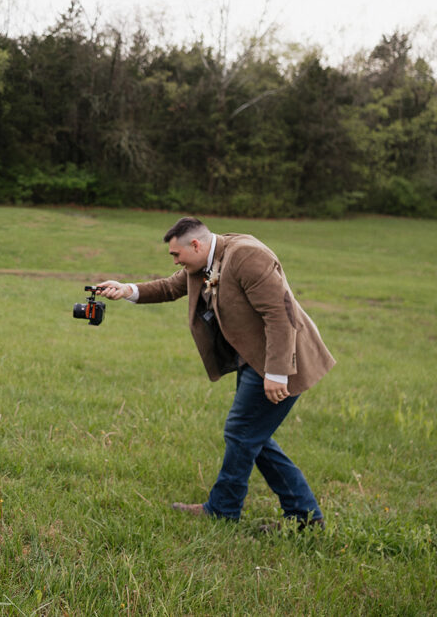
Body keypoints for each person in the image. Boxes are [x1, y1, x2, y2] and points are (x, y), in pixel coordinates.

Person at [96, 217, 334, 528]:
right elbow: (170, 287)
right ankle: (304, 515)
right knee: (251, 436)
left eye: (176, 255)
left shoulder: (247, 256)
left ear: (195, 245)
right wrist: (125, 289)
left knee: (241, 432)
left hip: (283, 359)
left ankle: (225, 509)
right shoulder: (204, 262)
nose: (176, 261)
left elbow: (280, 314)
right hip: (253, 359)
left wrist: (278, 373)